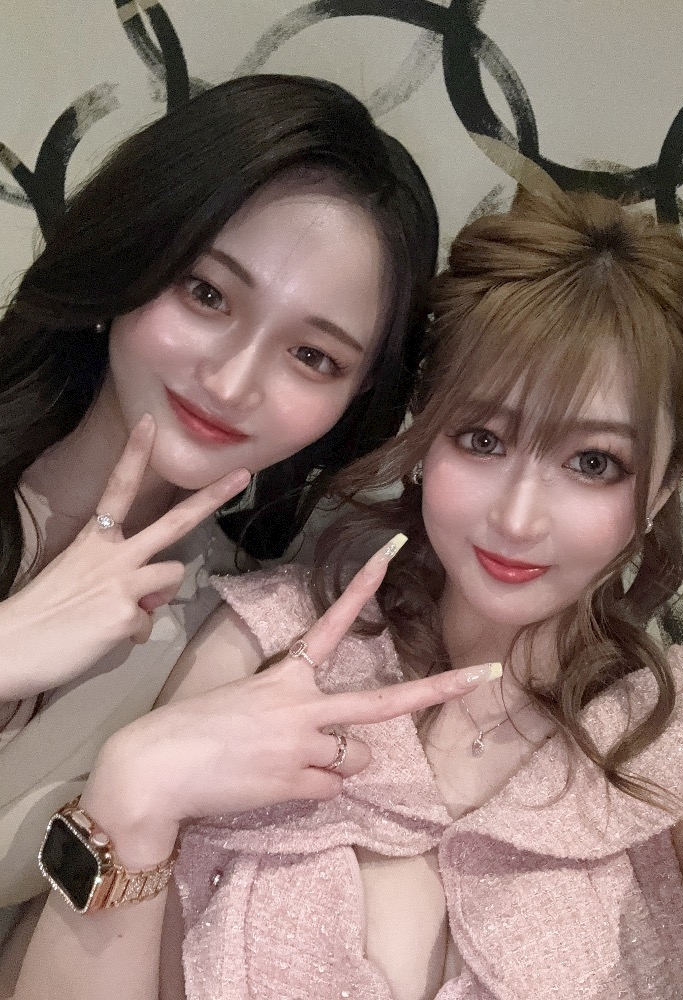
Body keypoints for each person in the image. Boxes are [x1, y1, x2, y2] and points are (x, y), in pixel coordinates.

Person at [14, 187, 683, 1000]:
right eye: (483, 439)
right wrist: (132, 786)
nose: (518, 518)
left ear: (661, 487)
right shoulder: (266, 640)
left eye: (593, 463)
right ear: (427, 440)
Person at [0, 71, 450, 941]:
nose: (234, 381)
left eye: (313, 356)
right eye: (208, 294)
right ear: (137, 254)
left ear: (355, 399)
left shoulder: (243, 633)